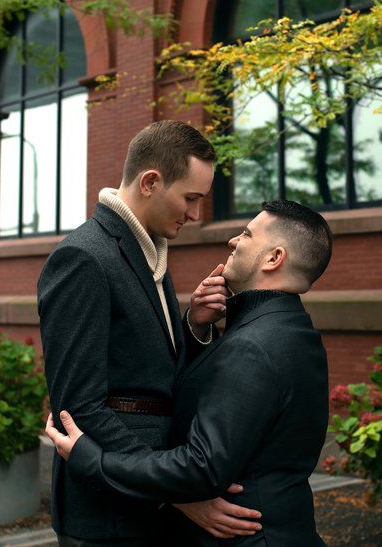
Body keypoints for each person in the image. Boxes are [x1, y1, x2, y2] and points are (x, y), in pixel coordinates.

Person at [46, 200, 334, 546]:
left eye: (246, 234)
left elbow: (200, 469)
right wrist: (196, 326)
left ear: (274, 258)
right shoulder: (293, 332)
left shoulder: (253, 346)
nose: (233, 241)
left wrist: (92, 460)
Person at [37, 120, 259, 546]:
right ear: (151, 182)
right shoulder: (82, 258)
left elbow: (146, 371)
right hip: (107, 514)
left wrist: (193, 325)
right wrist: (173, 491)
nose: (195, 214)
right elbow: (78, 407)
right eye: (190, 198)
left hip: (142, 499)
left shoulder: (148, 249)